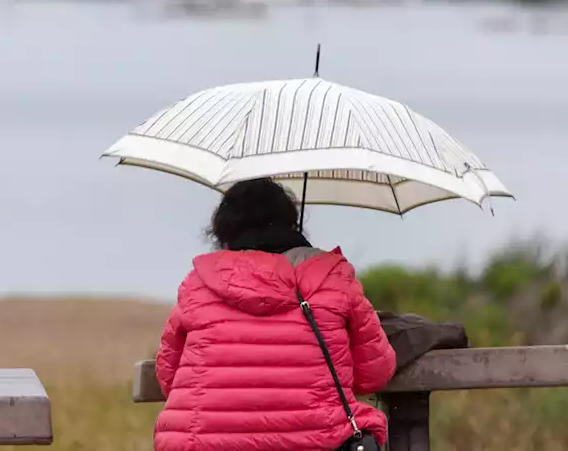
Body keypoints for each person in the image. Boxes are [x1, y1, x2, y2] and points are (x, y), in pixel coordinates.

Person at [153, 178, 397, 451]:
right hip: (317, 443)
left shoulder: (197, 284)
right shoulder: (333, 277)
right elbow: (375, 373)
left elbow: (168, 378)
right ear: (290, 222)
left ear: (223, 229)